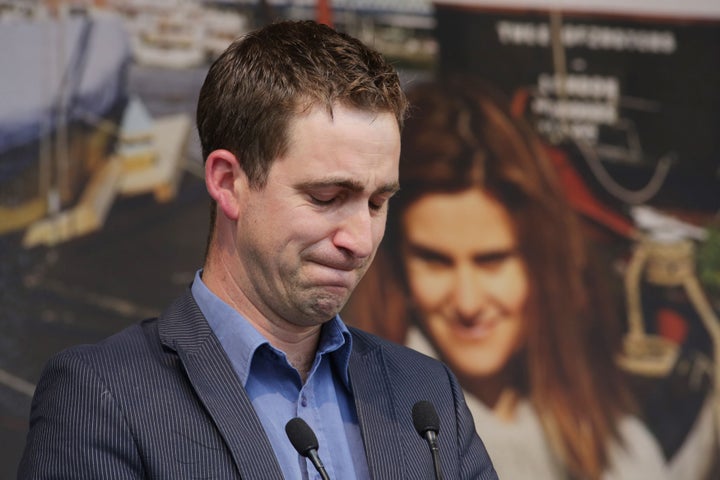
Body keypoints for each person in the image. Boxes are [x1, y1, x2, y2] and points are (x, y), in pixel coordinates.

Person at [18, 22, 498, 480]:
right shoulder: (104, 396)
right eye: (326, 198)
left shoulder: (427, 395)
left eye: (376, 202)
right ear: (229, 183)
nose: (360, 239)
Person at [343, 77, 670, 480]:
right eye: (436, 261)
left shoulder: (624, 452)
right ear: (396, 265)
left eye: (492, 260)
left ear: (540, 262)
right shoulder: (352, 437)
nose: (468, 302)